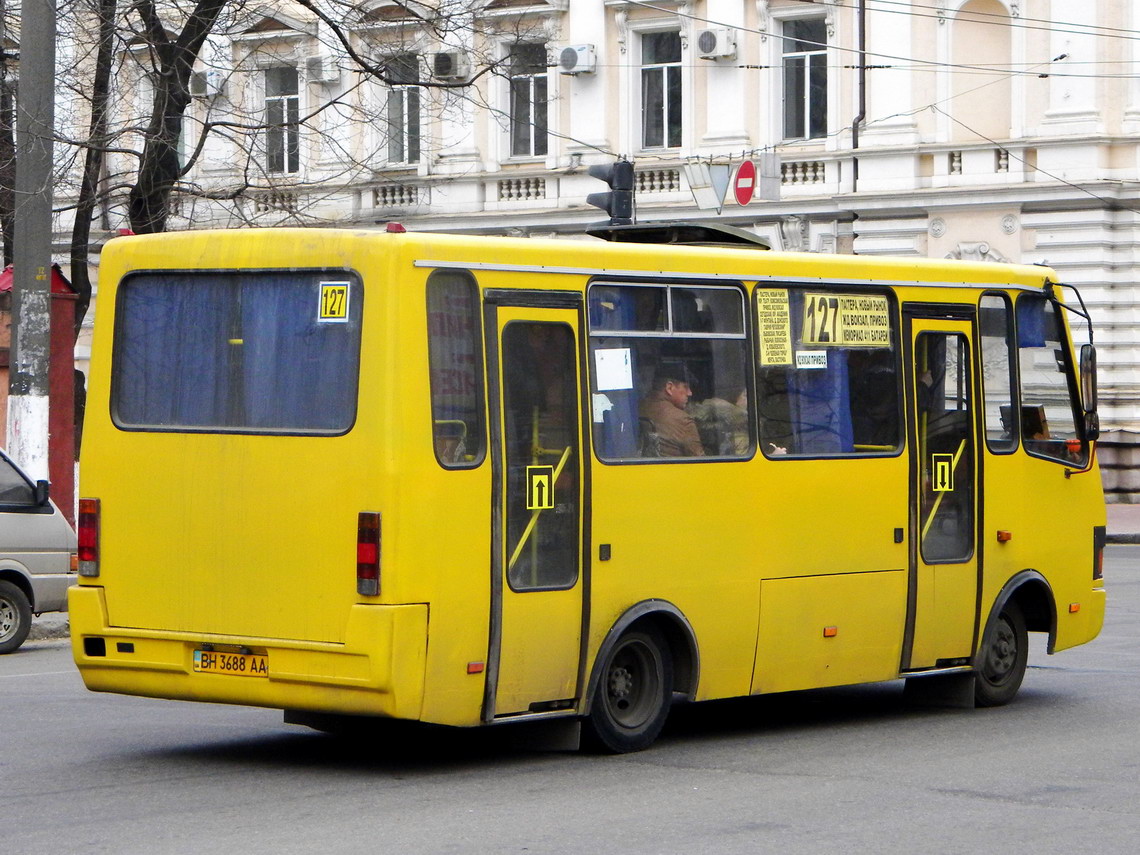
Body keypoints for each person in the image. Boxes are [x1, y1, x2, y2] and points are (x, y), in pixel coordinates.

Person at [639, 368, 705, 457]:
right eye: (685, 387)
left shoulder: (638, 408)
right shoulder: (683, 420)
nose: (690, 393)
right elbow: (701, 462)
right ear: (669, 388)